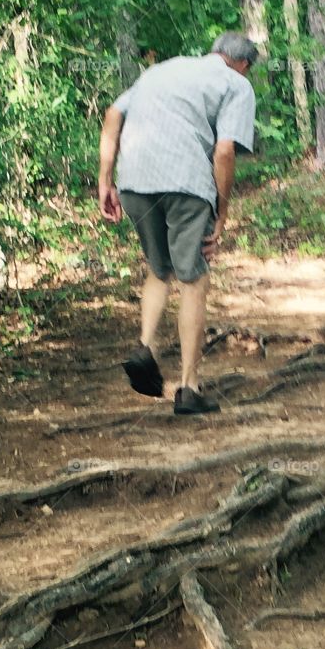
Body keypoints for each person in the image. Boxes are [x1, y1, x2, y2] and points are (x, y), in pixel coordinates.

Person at [99, 32, 258, 416]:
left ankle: (145, 347)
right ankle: (188, 387)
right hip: (186, 184)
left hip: (135, 180)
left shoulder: (161, 70)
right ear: (242, 64)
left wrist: (105, 180)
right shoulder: (236, 84)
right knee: (194, 280)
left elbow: (112, 115)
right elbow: (224, 151)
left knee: (159, 269)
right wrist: (222, 212)